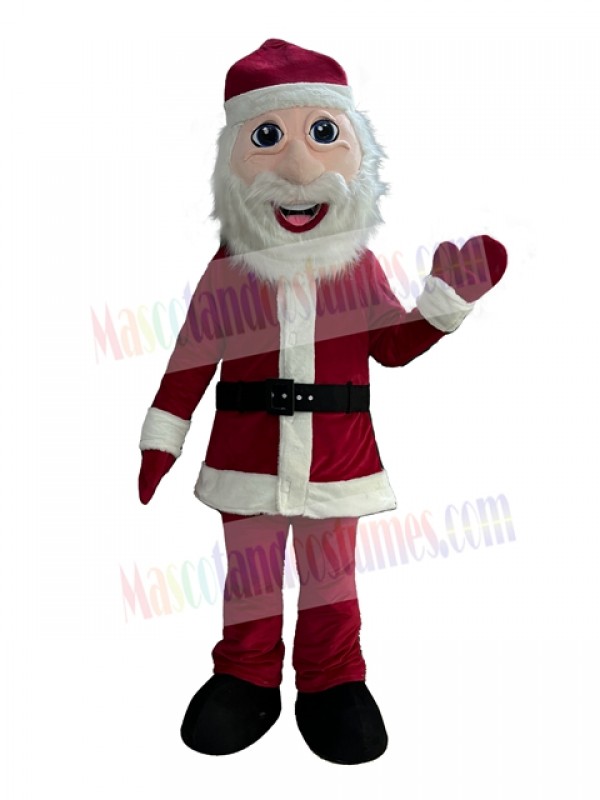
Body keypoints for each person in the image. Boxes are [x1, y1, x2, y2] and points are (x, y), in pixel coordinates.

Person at [138, 39, 507, 764]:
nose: (299, 168)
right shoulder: (229, 271)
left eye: (321, 135)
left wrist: (443, 305)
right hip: (246, 458)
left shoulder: (357, 267)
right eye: (267, 139)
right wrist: (162, 437)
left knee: (331, 582)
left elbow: (390, 345)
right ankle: (245, 677)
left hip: (336, 460)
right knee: (250, 579)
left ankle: (333, 681)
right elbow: (190, 358)